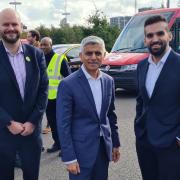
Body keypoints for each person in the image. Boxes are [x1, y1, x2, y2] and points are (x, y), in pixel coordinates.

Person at [56, 36, 120, 180]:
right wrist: (69, 157)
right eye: (88, 53)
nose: (93, 57)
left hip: (103, 148)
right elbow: (63, 124)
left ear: (104, 55)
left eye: (98, 53)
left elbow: (110, 115)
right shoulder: (68, 84)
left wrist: (115, 143)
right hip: (79, 152)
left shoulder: (108, 81)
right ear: (81, 56)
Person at [0, 8, 48, 180]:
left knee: (31, 176)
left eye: (14, 24)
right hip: (3, 133)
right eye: (6, 24)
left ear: (21, 26)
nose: (10, 28)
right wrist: (8, 122)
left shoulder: (36, 55)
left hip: (31, 132)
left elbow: (43, 90)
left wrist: (33, 121)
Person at [135, 15, 180, 180]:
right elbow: (141, 100)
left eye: (160, 34)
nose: (155, 39)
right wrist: (138, 128)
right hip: (145, 142)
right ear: (145, 40)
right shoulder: (141, 66)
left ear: (169, 35)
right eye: (150, 35)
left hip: (172, 145)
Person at [40, 37, 71, 153]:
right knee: (52, 122)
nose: (43, 47)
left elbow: (69, 78)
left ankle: (66, 147)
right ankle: (58, 143)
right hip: (47, 98)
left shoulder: (59, 59)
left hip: (60, 97)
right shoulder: (40, 58)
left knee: (62, 123)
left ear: (51, 45)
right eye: (41, 45)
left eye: (45, 45)